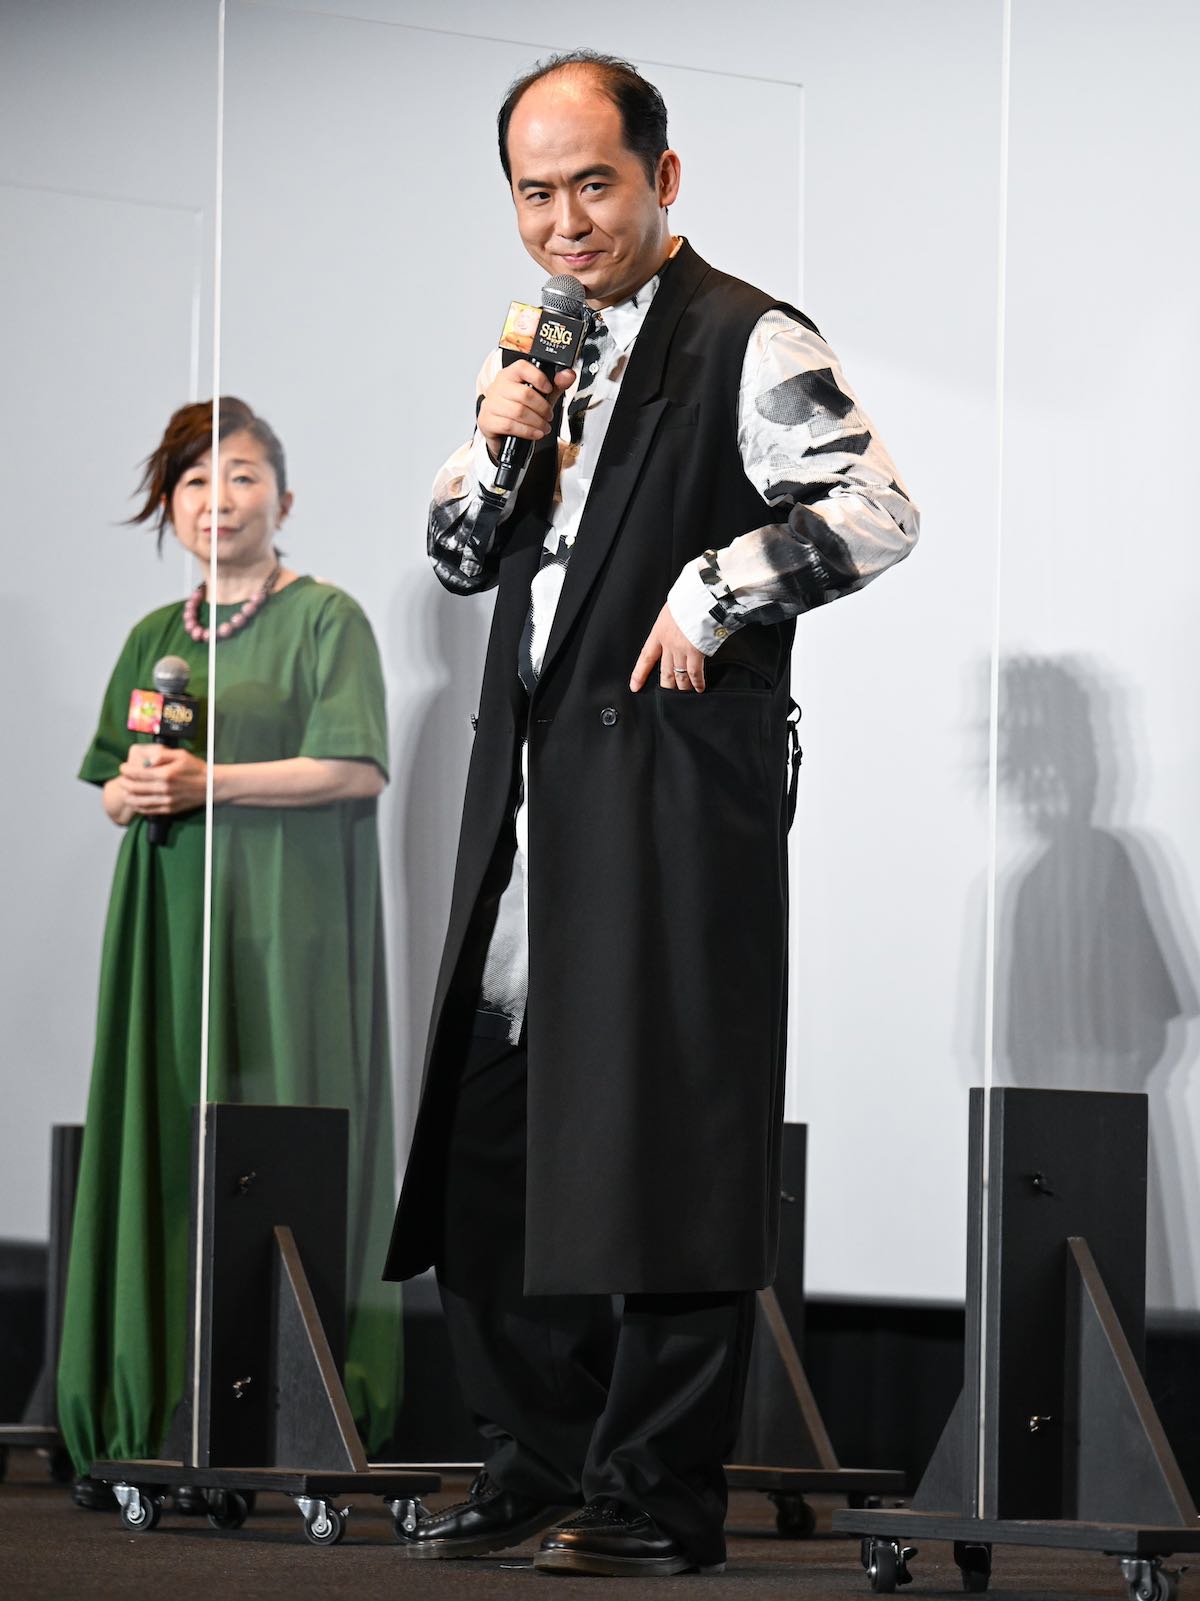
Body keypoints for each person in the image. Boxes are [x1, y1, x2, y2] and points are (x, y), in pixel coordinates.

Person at [385, 52, 919, 1577]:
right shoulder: (537, 355)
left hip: (672, 799)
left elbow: (878, 508)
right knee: (491, 1136)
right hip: (537, 795)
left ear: (661, 179)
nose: (565, 222)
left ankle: (655, 1494)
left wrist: (717, 586)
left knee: (672, 1141)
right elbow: (457, 558)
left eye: (593, 185)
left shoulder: (748, 334)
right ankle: (533, 1458)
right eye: (535, 194)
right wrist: (499, 435)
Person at [59, 397, 402, 1498]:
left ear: (284, 499)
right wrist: (136, 788)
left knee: (283, 1132)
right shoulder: (154, 636)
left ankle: (305, 1405)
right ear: (171, 505)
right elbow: (113, 785)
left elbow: (354, 767)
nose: (219, 500)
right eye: (196, 481)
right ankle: (149, 1404)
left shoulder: (327, 616)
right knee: (169, 1134)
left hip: (287, 924)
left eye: (242, 476)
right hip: (169, 915)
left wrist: (210, 782)